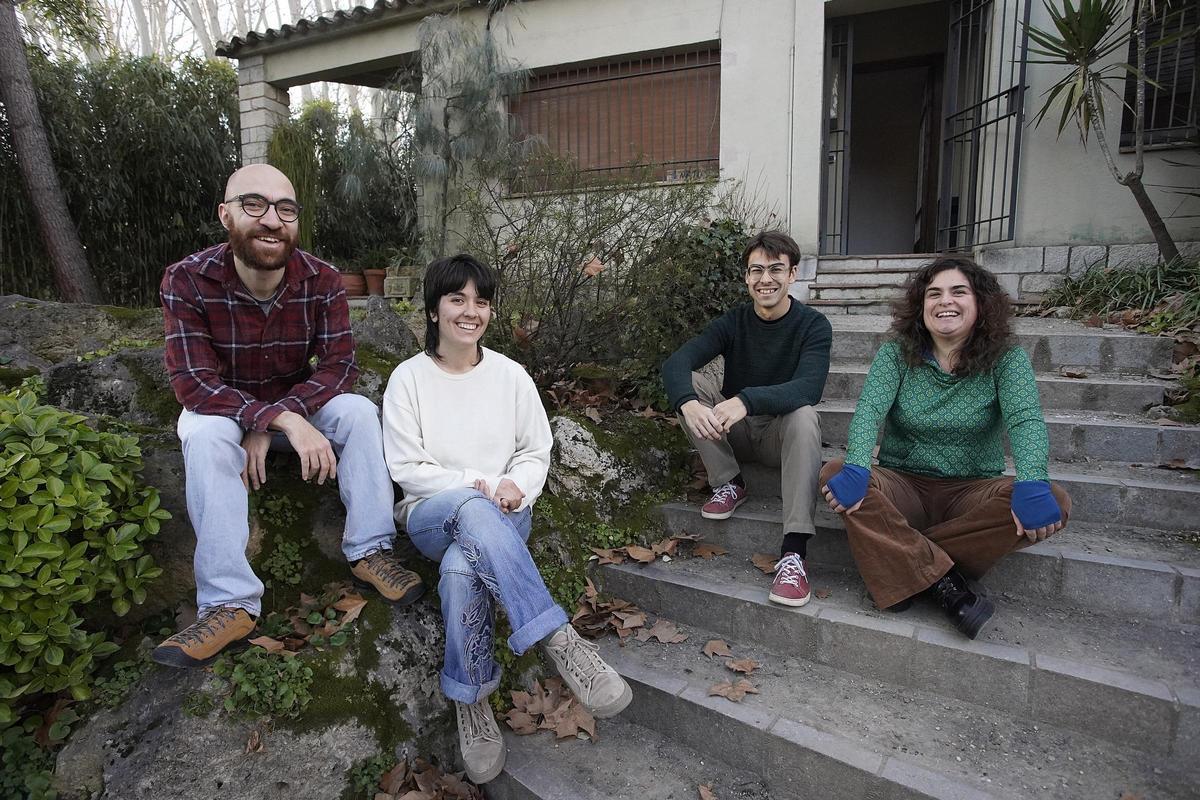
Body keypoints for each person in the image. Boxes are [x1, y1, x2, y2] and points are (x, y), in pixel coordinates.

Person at [152, 164, 424, 669]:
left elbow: (340, 366)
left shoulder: (321, 280)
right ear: (226, 215)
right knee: (205, 433)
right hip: (224, 411)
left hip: (297, 407)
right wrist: (266, 420)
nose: (272, 220)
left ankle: (370, 550)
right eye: (254, 205)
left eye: (285, 209)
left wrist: (282, 415)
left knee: (361, 412)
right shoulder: (187, 280)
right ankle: (229, 603)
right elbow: (193, 382)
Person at [381, 254, 632, 784]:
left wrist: (518, 485)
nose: (471, 312)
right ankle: (559, 639)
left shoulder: (510, 376)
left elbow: (535, 450)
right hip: (433, 513)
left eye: (481, 301)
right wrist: (481, 482)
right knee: (469, 509)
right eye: (457, 299)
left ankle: (470, 699)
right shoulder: (408, 380)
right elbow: (407, 467)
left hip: (506, 512)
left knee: (459, 572)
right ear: (433, 310)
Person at [820, 256, 1070, 639]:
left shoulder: (1007, 360)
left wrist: (1033, 479)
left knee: (1056, 500)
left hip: (971, 491)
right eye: (933, 294)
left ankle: (900, 564)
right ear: (921, 307)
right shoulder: (896, 355)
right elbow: (870, 410)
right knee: (834, 473)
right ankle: (945, 582)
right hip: (904, 486)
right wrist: (856, 465)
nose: (944, 301)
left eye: (958, 292)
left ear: (980, 302)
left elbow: (1025, 420)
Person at [662, 230, 832, 607]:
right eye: (756, 271)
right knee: (688, 385)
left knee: (805, 416)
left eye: (775, 269)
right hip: (733, 431)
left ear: (793, 274)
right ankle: (730, 481)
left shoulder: (813, 326)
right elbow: (677, 363)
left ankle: (794, 553)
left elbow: (809, 387)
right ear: (746, 278)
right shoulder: (733, 322)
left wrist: (747, 399)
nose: (765, 279)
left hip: (779, 433)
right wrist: (688, 402)